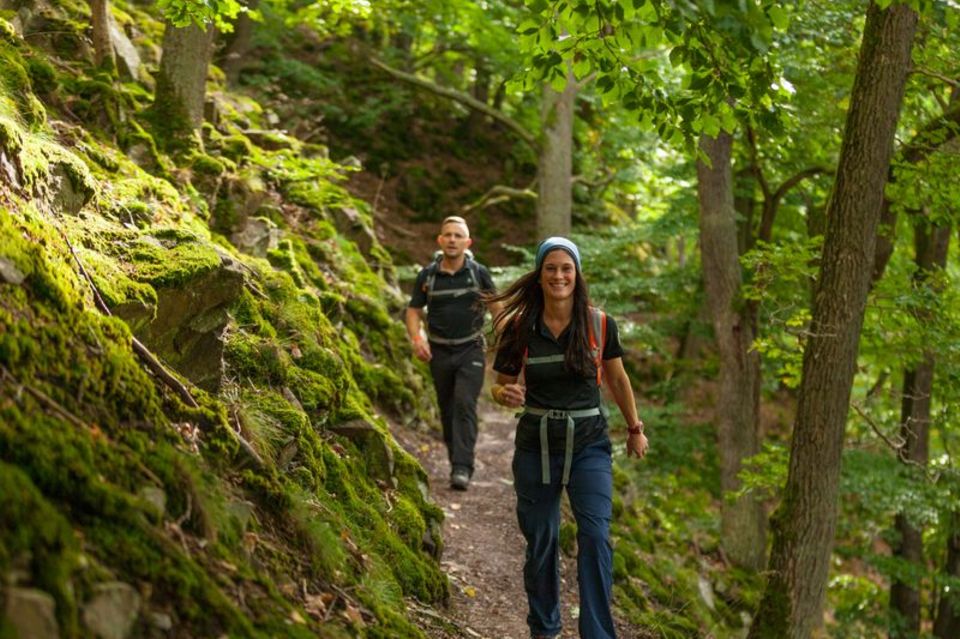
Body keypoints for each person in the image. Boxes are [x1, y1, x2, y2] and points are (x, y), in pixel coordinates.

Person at [487, 236, 648, 639]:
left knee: (595, 535)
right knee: (542, 538)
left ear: (577, 275)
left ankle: (597, 633)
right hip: (537, 444)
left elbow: (616, 377)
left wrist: (634, 429)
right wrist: (503, 394)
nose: (559, 275)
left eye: (566, 268)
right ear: (539, 276)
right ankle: (545, 629)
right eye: (551, 268)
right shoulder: (519, 326)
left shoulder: (598, 323)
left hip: (589, 444)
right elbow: (501, 384)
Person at [406, 216, 502, 491]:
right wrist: (417, 338)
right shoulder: (427, 276)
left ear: (467, 242)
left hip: (470, 348)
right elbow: (413, 311)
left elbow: (497, 308)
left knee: (463, 403)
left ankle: (463, 467)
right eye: (447, 235)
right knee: (447, 408)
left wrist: (506, 338)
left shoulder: (478, 273)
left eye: (458, 235)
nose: (452, 239)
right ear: (439, 240)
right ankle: (455, 462)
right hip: (438, 351)